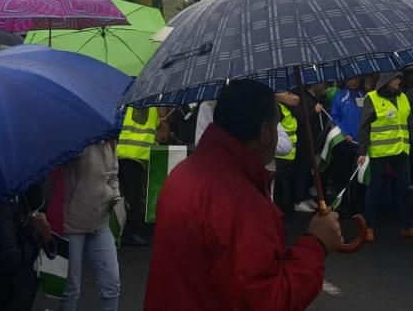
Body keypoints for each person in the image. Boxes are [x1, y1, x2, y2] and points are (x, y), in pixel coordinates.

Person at [145, 80, 342, 311]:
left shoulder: (184, 173)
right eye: (277, 126)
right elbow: (268, 300)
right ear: (266, 132)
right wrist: (315, 245)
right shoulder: (241, 203)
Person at [46, 140, 121, 311]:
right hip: (71, 225)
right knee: (70, 290)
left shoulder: (109, 140)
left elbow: (113, 176)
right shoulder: (75, 137)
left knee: (111, 285)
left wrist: (115, 198)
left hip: (101, 221)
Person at [358, 72, 413, 242]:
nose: (399, 81)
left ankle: (407, 226)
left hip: (401, 150)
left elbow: (410, 125)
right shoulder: (372, 98)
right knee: (375, 189)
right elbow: (365, 127)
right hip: (380, 151)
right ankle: (368, 226)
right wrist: (362, 152)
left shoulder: (403, 97)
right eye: (396, 78)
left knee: (405, 188)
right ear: (386, 81)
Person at [117, 106, 166, 246]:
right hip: (136, 155)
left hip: (121, 151)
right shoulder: (152, 109)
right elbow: (159, 127)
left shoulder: (128, 105)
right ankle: (129, 233)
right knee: (133, 196)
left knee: (121, 194)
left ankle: (118, 228)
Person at [328, 76, 367, 212]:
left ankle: (357, 205)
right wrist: (345, 133)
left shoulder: (365, 95)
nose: (354, 81)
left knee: (358, 175)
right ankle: (343, 205)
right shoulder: (340, 96)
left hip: (360, 142)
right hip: (344, 142)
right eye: (351, 79)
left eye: (356, 79)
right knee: (342, 174)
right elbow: (334, 117)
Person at [273, 91, 314, 213]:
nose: (294, 97)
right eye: (288, 94)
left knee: (287, 182)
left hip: (290, 153)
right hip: (280, 154)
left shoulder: (289, 108)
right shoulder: (277, 109)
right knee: (280, 186)